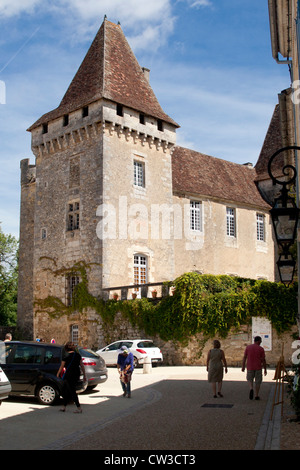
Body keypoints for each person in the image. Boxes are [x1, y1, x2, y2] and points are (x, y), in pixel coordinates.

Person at [57, 341, 86, 413]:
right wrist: (84, 375)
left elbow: (62, 366)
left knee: (72, 391)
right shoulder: (77, 355)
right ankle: (64, 407)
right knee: (67, 390)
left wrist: (58, 374)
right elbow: (82, 365)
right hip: (76, 374)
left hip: (69, 374)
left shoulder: (65, 356)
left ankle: (79, 408)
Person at [242, 336, 267, 400]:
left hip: (250, 366)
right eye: (260, 340)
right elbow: (263, 359)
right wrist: (265, 369)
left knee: (250, 379)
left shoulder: (248, 347)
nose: (261, 342)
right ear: (258, 341)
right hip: (258, 367)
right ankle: (256, 395)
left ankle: (251, 388)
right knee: (258, 381)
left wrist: (243, 366)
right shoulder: (261, 349)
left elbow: (244, 357)